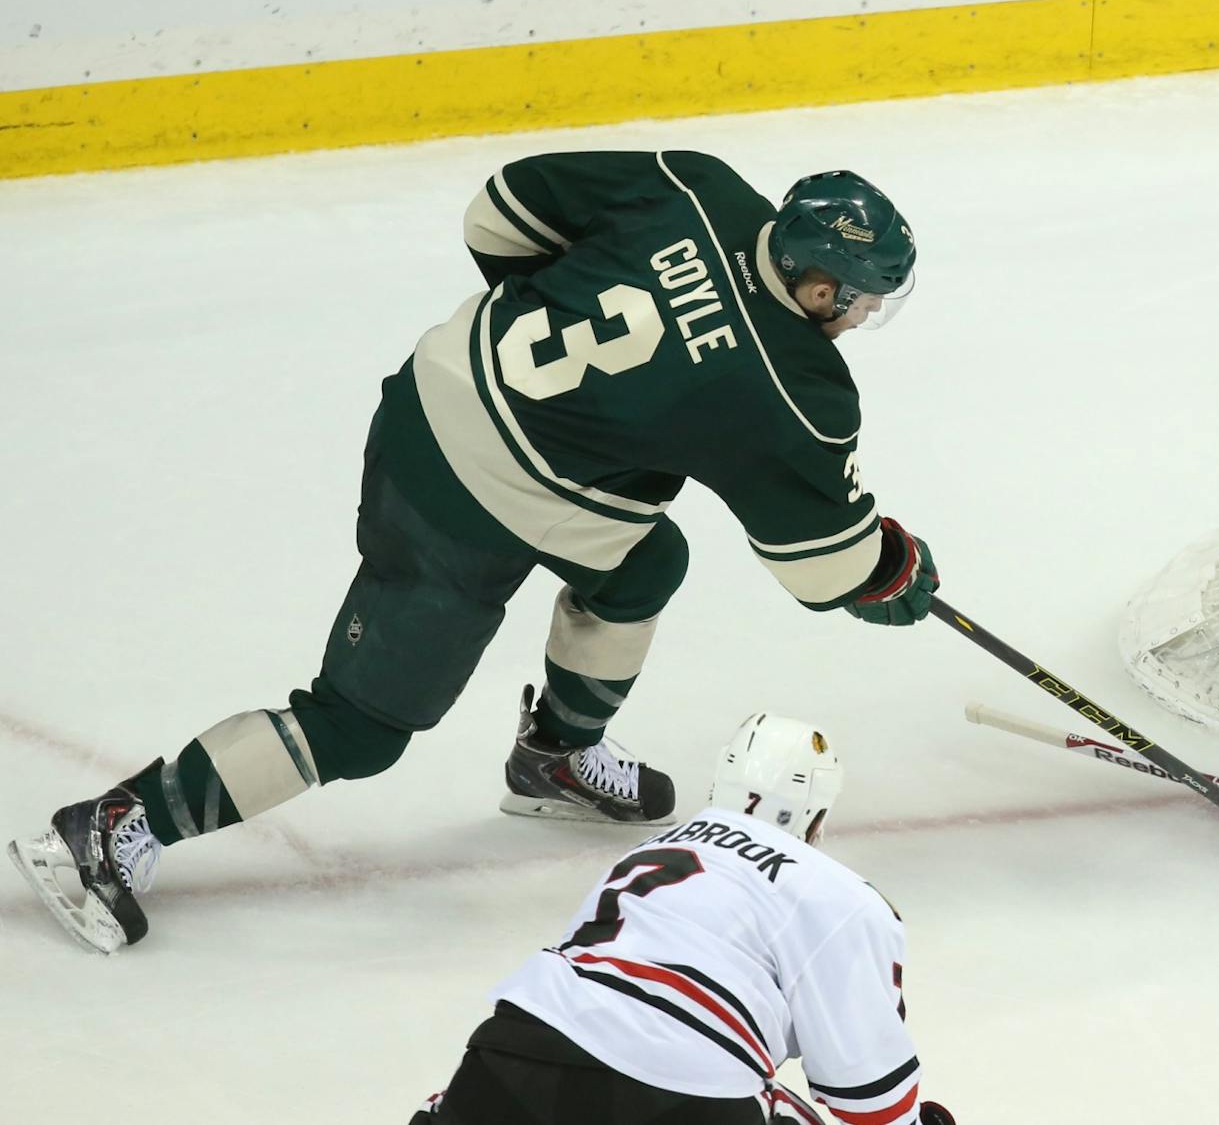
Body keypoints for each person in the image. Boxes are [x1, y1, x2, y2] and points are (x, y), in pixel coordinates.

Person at [8, 151, 943, 954]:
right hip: (463, 505)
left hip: (433, 390)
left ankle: (557, 756)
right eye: (860, 301)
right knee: (361, 727)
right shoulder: (797, 390)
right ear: (822, 287)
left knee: (643, 561)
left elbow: (501, 209)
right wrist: (890, 571)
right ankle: (113, 826)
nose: (860, 320)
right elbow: (823, 570)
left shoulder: (698, 187)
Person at [414, 714, 954, 1125]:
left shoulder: (650, 850)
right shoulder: (838, 893)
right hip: (680, 1092)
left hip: (515, 1048)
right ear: (816, 816)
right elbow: (869, 1100)